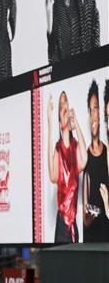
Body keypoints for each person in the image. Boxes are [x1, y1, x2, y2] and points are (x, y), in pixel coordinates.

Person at [47, 90, 87, 243]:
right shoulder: (58, 149)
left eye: (66, 102)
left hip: (73, 225)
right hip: (61, 224)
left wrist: (75, 122)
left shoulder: (75, 147)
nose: (64, 105)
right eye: (61, 104)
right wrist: (50, 123)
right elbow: (52, 176)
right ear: (59, 120)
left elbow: (84, 160)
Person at [83, 80, 109, 242]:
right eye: (91, 109)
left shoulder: (107, 152)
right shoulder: (85, 157)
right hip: (92, 241)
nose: (94, 115)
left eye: (96, 109)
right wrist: (90, 216)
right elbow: (85, 222)